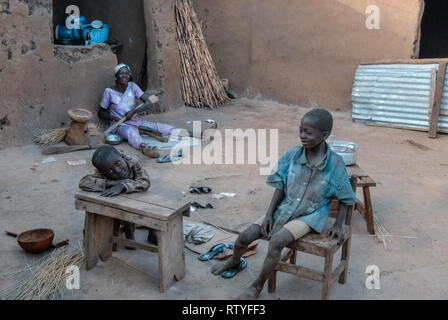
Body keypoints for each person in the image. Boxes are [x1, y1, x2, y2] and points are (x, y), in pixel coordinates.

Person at [210, 108, 357, 299]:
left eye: (308, 132)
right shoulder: (293, 155)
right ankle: (234, 261)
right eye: (301, 130)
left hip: (310, 215)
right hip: (285, 208)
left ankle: (256, 287)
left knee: (277, 241)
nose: (302, 136)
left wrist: (338, 224)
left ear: (324, 135)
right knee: (245, 236)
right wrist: (269, 214)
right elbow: (280, 186)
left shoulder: (335, 164)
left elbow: (346, 197)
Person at [99, 63, 182, 158]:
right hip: (119, 125)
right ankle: (144, 148)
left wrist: (133, 112)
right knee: (131, 132)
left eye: (126, 73)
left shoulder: (132, 87)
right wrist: (113, 118)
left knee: (157, 127)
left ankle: (182, 132)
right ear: (116, 76)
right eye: (121, 73)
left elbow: (149, 101)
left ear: (129, 76)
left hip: (135, 121)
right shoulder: (109, 92)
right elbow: (101, 112)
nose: (124, 76)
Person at [79, 145, 157, 246]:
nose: (118, 171)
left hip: (138, 196)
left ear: (121, 156)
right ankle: (128, 232)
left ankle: (152, 232)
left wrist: (122, 186)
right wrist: (112, 183)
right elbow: (83, 183)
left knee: (151, 203)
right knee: (116, 205)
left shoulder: (134, 161)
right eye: (110, 171)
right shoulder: (103, 168)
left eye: (118, 163)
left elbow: (145, 182)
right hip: (122, 203)